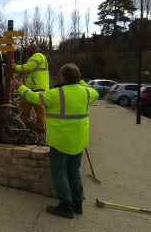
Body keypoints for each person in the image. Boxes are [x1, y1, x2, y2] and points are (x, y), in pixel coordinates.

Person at [12, 63, 99, 219]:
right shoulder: (87, 92)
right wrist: (81, 82)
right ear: (77, 78)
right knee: (74, 172)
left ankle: (65, 206)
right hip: (78, 141)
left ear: (63, 77)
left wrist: (20, 87)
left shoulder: (56, 94)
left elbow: (33, 97)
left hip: (60, 141)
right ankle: (78, 203)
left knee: (59, 173)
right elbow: (95, 92)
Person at [12, 44, 49, 131]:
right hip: (31, 88)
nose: (26, 52)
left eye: (27, 50)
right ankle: (23, 125)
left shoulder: (38, 56)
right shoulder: (34, 57)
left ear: (33, 50)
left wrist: (15, 67)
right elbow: (25, 70)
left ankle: (41, 128)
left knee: (39, 110)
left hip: (38, 87)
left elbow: (27, 67)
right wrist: (14, 68)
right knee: (25, 108)